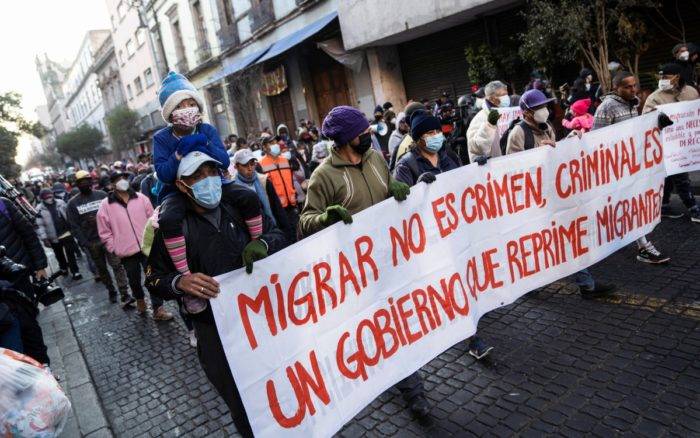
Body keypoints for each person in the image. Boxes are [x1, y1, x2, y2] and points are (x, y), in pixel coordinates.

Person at [299, 105, 430, 419]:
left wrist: (400, 191)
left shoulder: (375, 158)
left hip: (391, 258)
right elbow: (304, 222)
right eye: (364, 133)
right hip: (356, 271)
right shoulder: (323, 176)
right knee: (384, 329)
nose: (370, 135)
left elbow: (387, 194)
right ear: (345, 139)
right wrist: (324, 217)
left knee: (398, 324)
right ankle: (410, 389)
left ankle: (407, 382)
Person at [145, 151, 287, 438]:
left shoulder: (240, 207)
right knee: (241, 401)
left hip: (260, 317)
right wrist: (179, 282)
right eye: (197, 177)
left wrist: (265, 244)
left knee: (278, 383)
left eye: (211, 173)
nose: (206, 181)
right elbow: (152, 277)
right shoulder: (170, 226)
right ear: (182, 185)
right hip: (213, 330)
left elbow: (280, 235)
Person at [152, 72, 264, 313]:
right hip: (176, 190)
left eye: (191, 103)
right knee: (170, 219)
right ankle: (186, 276)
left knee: (248, 197)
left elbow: (223, 160)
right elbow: (163, 172)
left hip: (218, 183)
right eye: (180, 106)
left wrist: (203, 143)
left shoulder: (207, 129)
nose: (187, 109)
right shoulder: (161, 138)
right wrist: (179, 154)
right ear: (170, 113)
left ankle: (257, 246)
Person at [393, 112, 493, 359]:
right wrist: (417, 190)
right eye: (429, 133)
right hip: (430, 240)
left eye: (437, 131)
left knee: (461, 280)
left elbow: (464, 185)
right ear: (418, 139)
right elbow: (398, 206)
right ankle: (470, 337)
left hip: (455, 230)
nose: (435, 136)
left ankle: (469, 330)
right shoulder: (407, 165)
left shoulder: (449, 156)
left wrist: (478, 170)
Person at [506, 90, 617, 298]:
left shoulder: (547, 127)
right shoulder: (518, 133)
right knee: (539, 244)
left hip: (551, 195)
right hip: (531, 201)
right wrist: (537, 154)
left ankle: (587, 285)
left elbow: (555, 155)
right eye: (539, 107)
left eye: (545, 106)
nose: (544, 111)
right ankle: (531, 284)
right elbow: (511, 170)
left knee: (566, 239)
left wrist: (570, 141)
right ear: (527, 112)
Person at [593, 71, 670, 264]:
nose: (633, 89)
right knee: (624, 205)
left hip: (630, 166)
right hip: (614, 168)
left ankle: (640, 244)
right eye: (627, 86)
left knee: (632, 205)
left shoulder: (633, 104)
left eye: (634, 85)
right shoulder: (607, 107)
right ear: (615, 88)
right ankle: (641, 246)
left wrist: (655, 124)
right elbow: (596, 138)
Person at [96, 172, 173, 320]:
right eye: (118, 180)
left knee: (153, 278)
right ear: (112, 185)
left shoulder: (141, 198)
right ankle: (140, 301)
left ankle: (158, 309)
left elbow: (153, 220)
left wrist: (155, 241)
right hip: (126, 252)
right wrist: (114, 247)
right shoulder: (105, 206)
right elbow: (104, 232)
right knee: (134, 280)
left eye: (124, 179)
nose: (122, 182)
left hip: (147, 248)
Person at [642, 63, 700, 222]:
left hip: (687, 144)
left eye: (665, 77)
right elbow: (645, 121)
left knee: (667, 176)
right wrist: (658, 120)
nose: (662, 80)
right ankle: (693, 207)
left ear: (677, 77)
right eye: (660, 77)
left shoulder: (691, 92)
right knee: (681, 176)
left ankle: (664, 205)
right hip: (666, 145)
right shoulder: (654, 98)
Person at [67, 170, 133, 306]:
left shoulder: (102, 195)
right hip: (92, 243)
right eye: (81, 182)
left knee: (117, 265)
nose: (84, 184)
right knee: (102, 270)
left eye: (87, 181)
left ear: (91, 181)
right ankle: (111, 290)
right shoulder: (72, 204)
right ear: (77, 184)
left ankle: (124, 293)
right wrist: (85, 243)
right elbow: (74, 227)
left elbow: (114, 215)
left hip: (108, 239)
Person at [0, 196, 51, 365]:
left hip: (19, 278)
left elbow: (28, 234)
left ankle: (42, 369)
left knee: (30, 326)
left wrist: (40, 266)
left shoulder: (3, 204)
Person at [232, 149, 292, 238]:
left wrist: (287, 233)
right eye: (245, 165)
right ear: (236, 166)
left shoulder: (264, 181)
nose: (250, 168)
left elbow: (277, 209)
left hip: (272, 230)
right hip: (250, 236)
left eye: (252, 164)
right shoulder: (233, 188)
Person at [35, 189, 82, 280]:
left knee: (70, 253)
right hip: (53, 236)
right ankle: (63, 267)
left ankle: (75, 271)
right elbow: (39, 225)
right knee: (59, 254)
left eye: (50, 196)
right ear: (42, 198)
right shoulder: (39, 209)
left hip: (66, 232)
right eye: (46, 197)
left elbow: (69, 215)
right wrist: (44, 238)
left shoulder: (60, 203)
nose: (49, 198)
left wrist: (73, 228)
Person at [259, 136, 298, 243]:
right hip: (276, 209)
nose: (275, 144)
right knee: (286, 238)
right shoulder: (261, 165)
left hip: (292, 205)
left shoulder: (285, 160)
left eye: (275, 142)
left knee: (297, 234)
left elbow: (290, 180)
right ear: (264, 147)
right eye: (271, 143)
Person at [467, 80, 509, 162]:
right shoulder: (480, 119)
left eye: (506, 94)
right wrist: (489, 125)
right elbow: (475, 147)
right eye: (503, 95)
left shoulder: (508, 113)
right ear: (491, 98)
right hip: (493, 169)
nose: (506, 98)